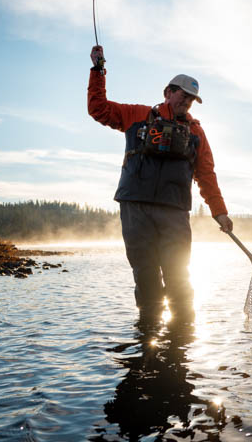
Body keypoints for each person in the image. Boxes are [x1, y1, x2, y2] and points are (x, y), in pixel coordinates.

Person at [87, 44, 233, 320]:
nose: (187, 102)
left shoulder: (197, 132)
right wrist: (98, 70)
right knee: (145, 276)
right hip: (135, 209)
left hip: (174, 212)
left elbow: (207, 175)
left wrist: (220, 212)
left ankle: (182, 337)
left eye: (192, 99)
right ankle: (148, 333)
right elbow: (98, 109)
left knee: (178, 275)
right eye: (183, 95)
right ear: (168, 92)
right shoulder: (138, 116)